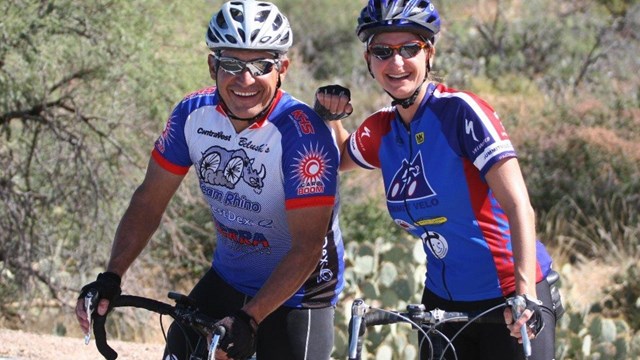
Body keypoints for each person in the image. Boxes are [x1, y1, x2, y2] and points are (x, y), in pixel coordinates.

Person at [75, 1, 345, 359]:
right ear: (212, 65)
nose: (244, 80)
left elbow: (307, 248)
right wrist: (112, 275)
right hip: (228, 276)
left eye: (261, 65)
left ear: (282, 69)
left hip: (299, 293)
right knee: (180, 350)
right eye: (231, 64)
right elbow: (149, 201)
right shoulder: (192, 114)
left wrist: (249, 319)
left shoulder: (303, 136)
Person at [315, 0, 562, 359]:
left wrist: (524, 294)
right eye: (382, 51)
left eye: (409, 49)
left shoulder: (461, 112)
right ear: (369, 60)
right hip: (441, 303)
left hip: (510, 296)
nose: (396, 62)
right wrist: (330, 116)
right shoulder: (381, 128)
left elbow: (519, 206)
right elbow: (337, 158)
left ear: (429, 52)